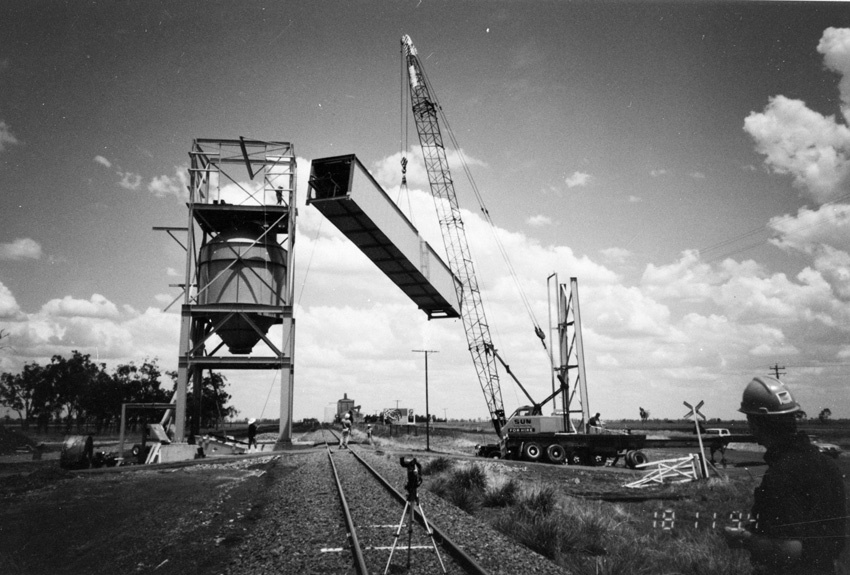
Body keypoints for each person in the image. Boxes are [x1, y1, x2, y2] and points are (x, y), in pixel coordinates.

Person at [723, 376, 846, 574]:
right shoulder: (827, 464)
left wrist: (744, 538)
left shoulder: (781, 475)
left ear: (755, 422)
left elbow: (788, 551)